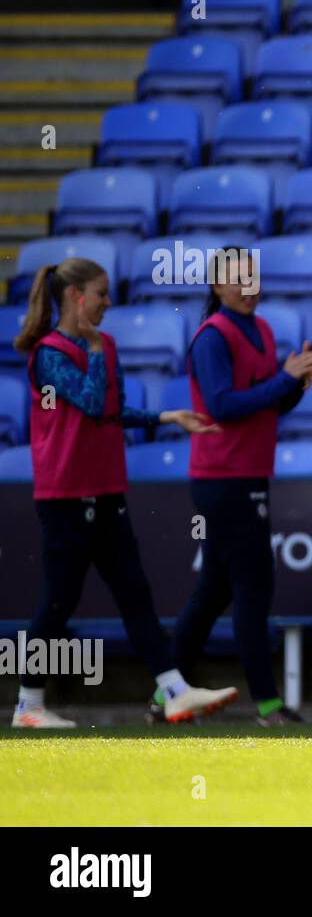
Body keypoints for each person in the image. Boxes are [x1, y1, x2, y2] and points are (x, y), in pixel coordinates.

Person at [11, 257, 238, 728]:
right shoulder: (49, 354)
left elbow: (112, 410)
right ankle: (28, 705)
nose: (108, 303)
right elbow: (90, 402)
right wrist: (94, 349)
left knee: (135, 594)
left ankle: (174, 690)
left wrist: (165, 418)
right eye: (101, 294)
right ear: (77, 297)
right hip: (65, 497)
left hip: (107, 489)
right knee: (58, 600)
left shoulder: (104, 346)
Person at [168, 249, 312, 727]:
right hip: (224, 478)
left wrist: (295, 386)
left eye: (252, 277)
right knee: (254, 587)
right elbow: (222, 407)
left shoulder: (260, 331)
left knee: (213, 594)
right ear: (217, 286)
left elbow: (267, 407)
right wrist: (284, 378)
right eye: (237, 279)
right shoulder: (211, 338)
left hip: (245, 475)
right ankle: (268, 706)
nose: (248, 286)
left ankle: (165, 697)